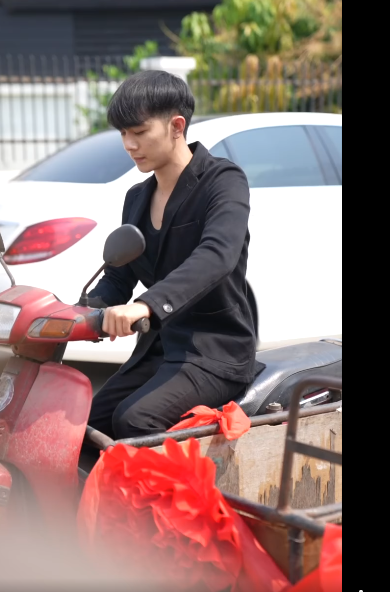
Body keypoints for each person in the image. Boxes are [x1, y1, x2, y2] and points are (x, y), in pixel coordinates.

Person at [80, 70, 264, 470]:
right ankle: (100, 507)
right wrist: (75, 312)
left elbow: (217, 255)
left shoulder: (223, 181)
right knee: (84, 426)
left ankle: (171, 511)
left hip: (215, 351)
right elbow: (118, 278)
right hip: (161, 349)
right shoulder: (137, 197)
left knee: (135, 421)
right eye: (123, 134)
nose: (129, 145)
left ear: (176, 126)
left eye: (139, 132)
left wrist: (146, 305)